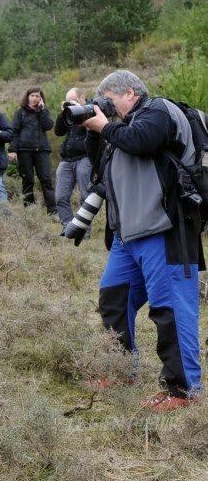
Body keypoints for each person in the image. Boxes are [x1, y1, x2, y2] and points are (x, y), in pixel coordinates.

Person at [83, 70, 203, 413]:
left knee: (171, 310)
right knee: (113, 299)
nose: (104, 107)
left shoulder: (159, 110)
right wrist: (93, 132)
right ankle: (122, 372)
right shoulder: (118, 129)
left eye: (109, 99)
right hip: (127, 237)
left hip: (165, 231)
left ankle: (182, 391)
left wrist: (105, 125)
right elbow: (99, 168)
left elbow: (142, 140)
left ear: (131, 93)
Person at [9, 86, 55, 213]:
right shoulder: (20, 112)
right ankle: (30, 211)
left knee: (46, 180)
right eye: (32, 95)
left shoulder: (44, 111)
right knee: (28, 180)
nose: (35, 98)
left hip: (42, 150)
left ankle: (53, 210)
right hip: (24, 151)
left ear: (41, 98)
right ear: (28, 97)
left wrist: (41, 110)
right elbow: (14, 132)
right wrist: (12, 150)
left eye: (37, 96)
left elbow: (48, 126)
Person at [53, 87, 93, 228]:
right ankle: (68, 228)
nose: (71, 103)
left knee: (85, 196)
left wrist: (80, 109)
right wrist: (63, 113)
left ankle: (84, 230)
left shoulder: (93, 108)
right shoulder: (68, 114)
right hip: (67, 160)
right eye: (69, 101)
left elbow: (95, 127)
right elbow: (58, 131)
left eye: (74, 101)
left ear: (83, 97)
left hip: (85, 157)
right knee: (60, 196)